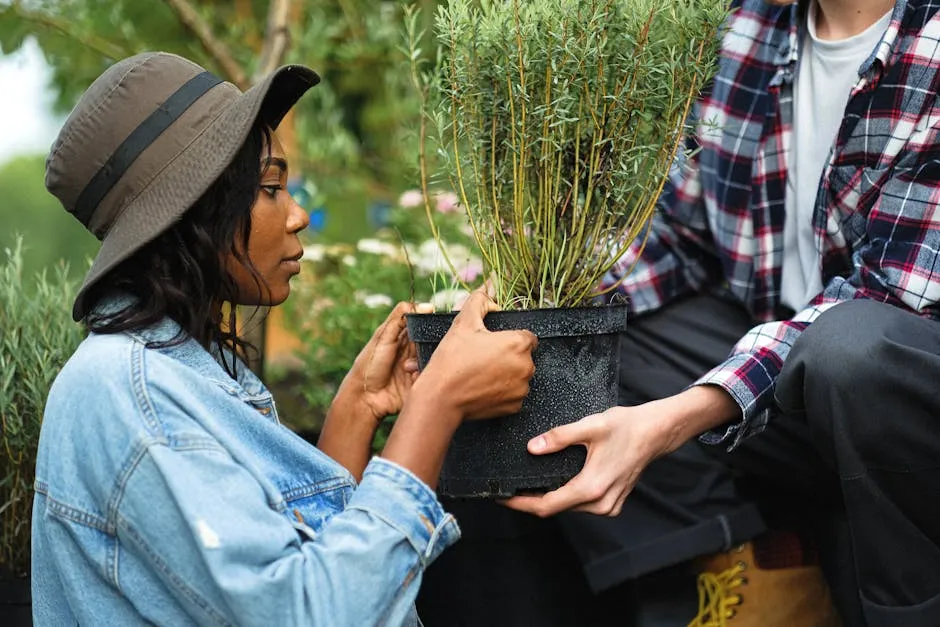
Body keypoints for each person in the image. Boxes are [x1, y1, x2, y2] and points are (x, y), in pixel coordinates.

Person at [32, 51, 538, 626]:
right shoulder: (126, 392)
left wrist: (357, 410)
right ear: (195, 210)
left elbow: (301, 564)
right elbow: (315, 614)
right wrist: (438, 403)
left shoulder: (182, 369)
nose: (297, 215)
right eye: (271, 187)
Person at [500, 0, 940, 626]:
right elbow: (683, 234)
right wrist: (536, 304)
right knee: (576, 348)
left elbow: (888, 293)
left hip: (900, 389)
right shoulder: (750, 25)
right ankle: (757, 577)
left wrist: (677, 416)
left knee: (851, 352)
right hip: (791, 367)